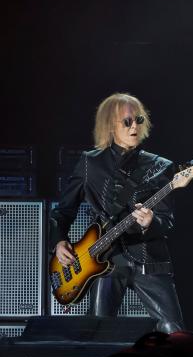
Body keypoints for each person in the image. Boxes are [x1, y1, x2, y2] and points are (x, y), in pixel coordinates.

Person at [50, 93, 185, 333]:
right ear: (110, 124)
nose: (134, 126)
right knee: (99, 332)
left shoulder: (160, 166)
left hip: (149, 259)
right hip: (103, 259)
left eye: (139, 120)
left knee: (174, 331)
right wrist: (59, 241)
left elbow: (167, 220)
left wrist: (151, 222)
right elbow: (63, 211)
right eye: (127, 121)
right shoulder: (90, 163)